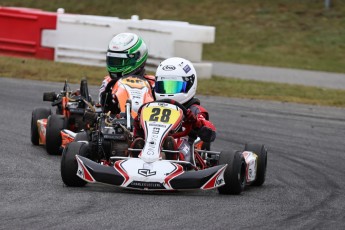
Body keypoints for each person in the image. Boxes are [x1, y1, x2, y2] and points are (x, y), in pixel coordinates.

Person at [132, 57, 216, 161]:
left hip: (184, 150)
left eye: (175, 86)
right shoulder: (151, 107)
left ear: (190, 84)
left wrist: (196, 122)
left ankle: (172, 155)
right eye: (163, 86)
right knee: (138, 140)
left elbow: (209, 130)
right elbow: (136, 127)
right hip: (151, 144)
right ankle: (137, 153)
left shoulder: (194, 109)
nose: (168, 92)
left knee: (177, 142)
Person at [99, 32, 155, 114]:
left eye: (121, 61)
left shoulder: (153, 83)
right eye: (113, 60)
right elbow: (102, 106)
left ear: (138, 58)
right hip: (116, 123)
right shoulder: (108, 82)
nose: (116, 66)